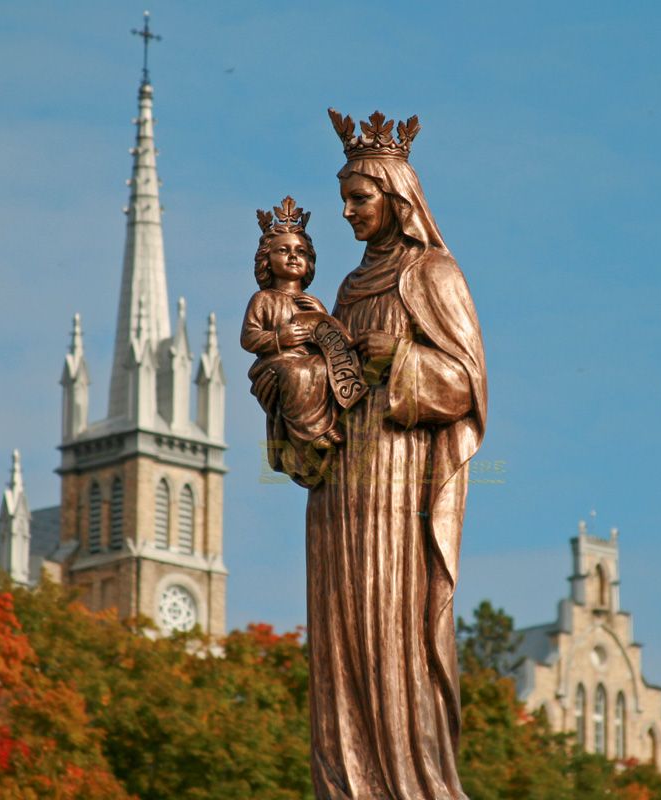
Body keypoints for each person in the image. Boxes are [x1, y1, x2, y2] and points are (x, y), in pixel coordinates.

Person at [303, 109, 487, 799]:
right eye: (345, 199)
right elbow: (326, 388)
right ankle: (346, 779)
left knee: (390, 627)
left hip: (401, 484)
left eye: (359, 198)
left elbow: (469, 385)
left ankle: (409, 780)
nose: (347, 212)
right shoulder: (348, 291)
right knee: (340, 635)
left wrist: (403, 360)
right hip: (339, 487)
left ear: (396, 197)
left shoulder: (434, 272)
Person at [240, 197, 343, 481]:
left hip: (311, 363)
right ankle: (308, 439)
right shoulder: (263, 299)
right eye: (283, 250)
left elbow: (333, 342)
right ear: (267, 260)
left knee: (323, 371)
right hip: (277, 364)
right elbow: (249, 338)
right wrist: (278, 338)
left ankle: (327, 427)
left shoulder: (313, 302)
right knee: (297, 374)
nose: (293, 256)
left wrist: (323, 317)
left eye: (300, 251)